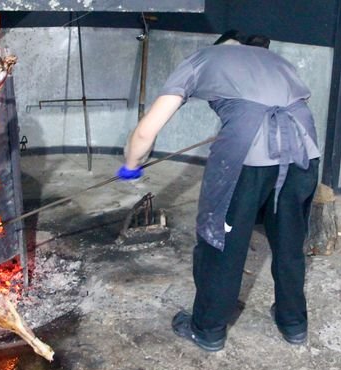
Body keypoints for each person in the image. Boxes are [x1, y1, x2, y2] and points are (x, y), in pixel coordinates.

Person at [117, 30, 321, 351]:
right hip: (303, 151)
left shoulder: (203, 58)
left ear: (221, 45)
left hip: (246, 157)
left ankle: (208, 329)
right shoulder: (277, 60)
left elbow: (146, 132)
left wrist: (130, 165)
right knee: (289, 238)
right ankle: (293, 322)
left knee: (222, 241)